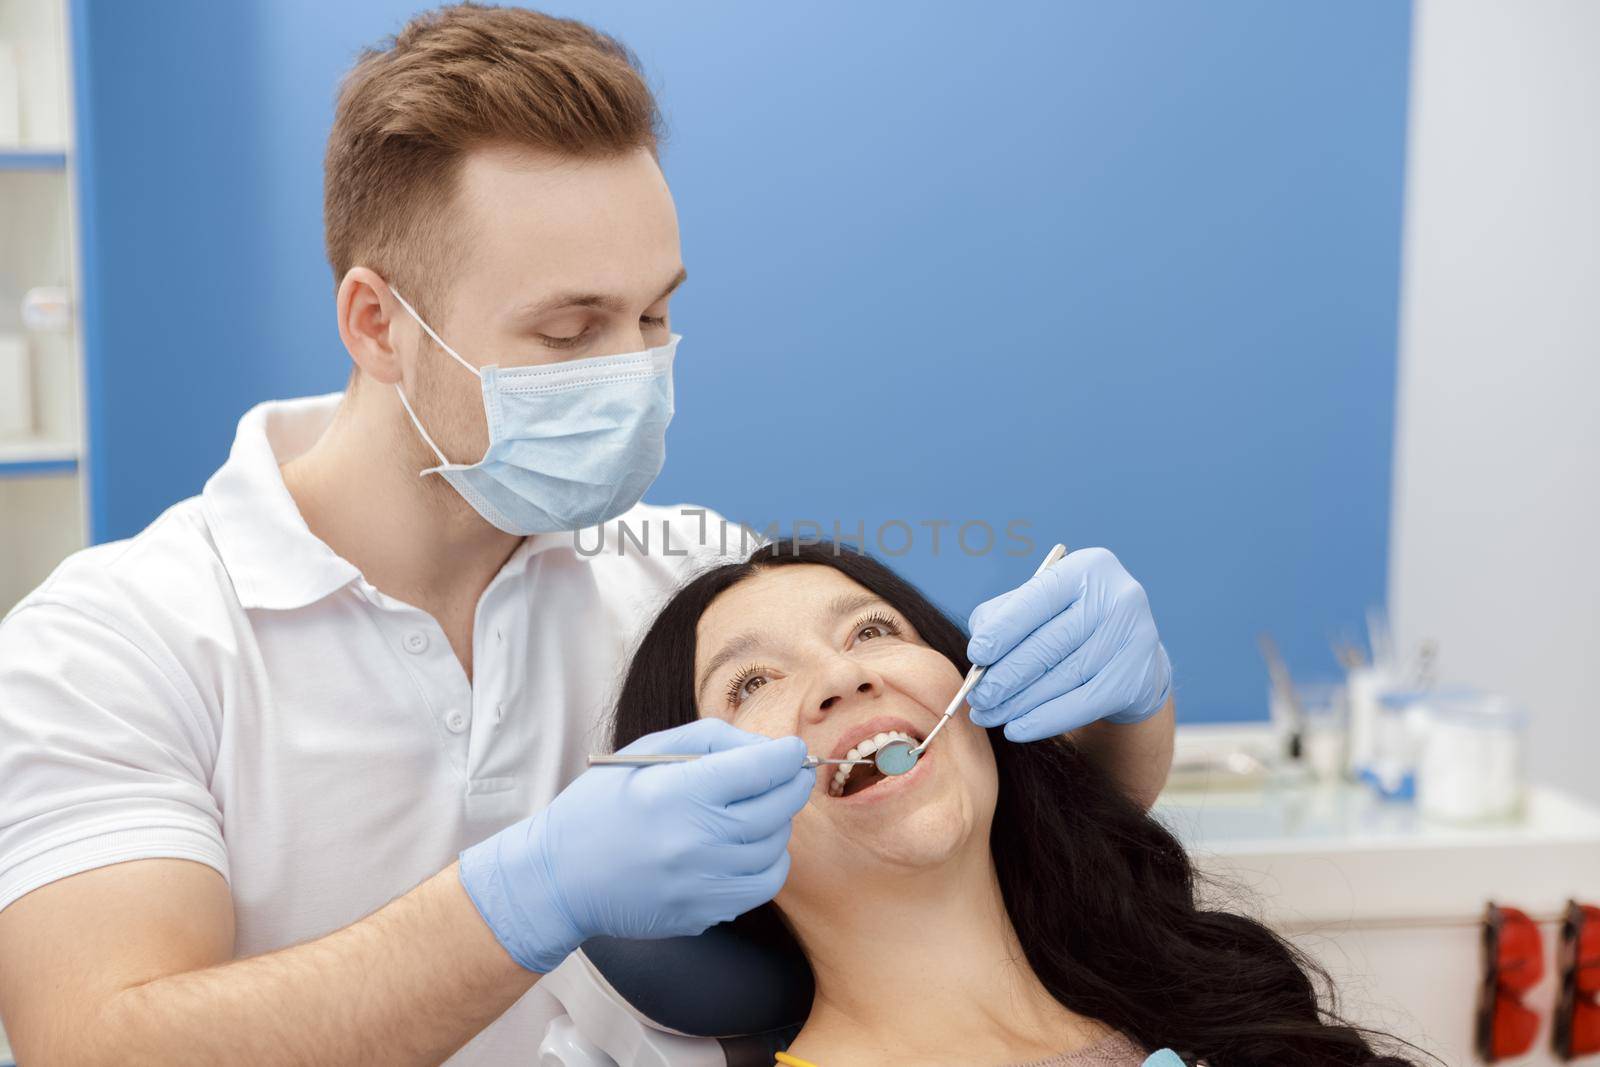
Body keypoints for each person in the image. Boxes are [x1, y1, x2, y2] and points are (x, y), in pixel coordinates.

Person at [0, 6, 1174, 1065]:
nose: (632, 370)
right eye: (569, 331)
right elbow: (95, 1042)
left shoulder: (694, 576)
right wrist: (519, 898)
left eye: (655, 312)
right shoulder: (114, 647)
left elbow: (979, 832)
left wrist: (1122, 714)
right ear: (376, 323)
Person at [609, 540, 1416, 1067]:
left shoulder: (1214, 1014)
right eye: (752, 682)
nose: (844, 677)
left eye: (871, 631)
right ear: (701, 820)